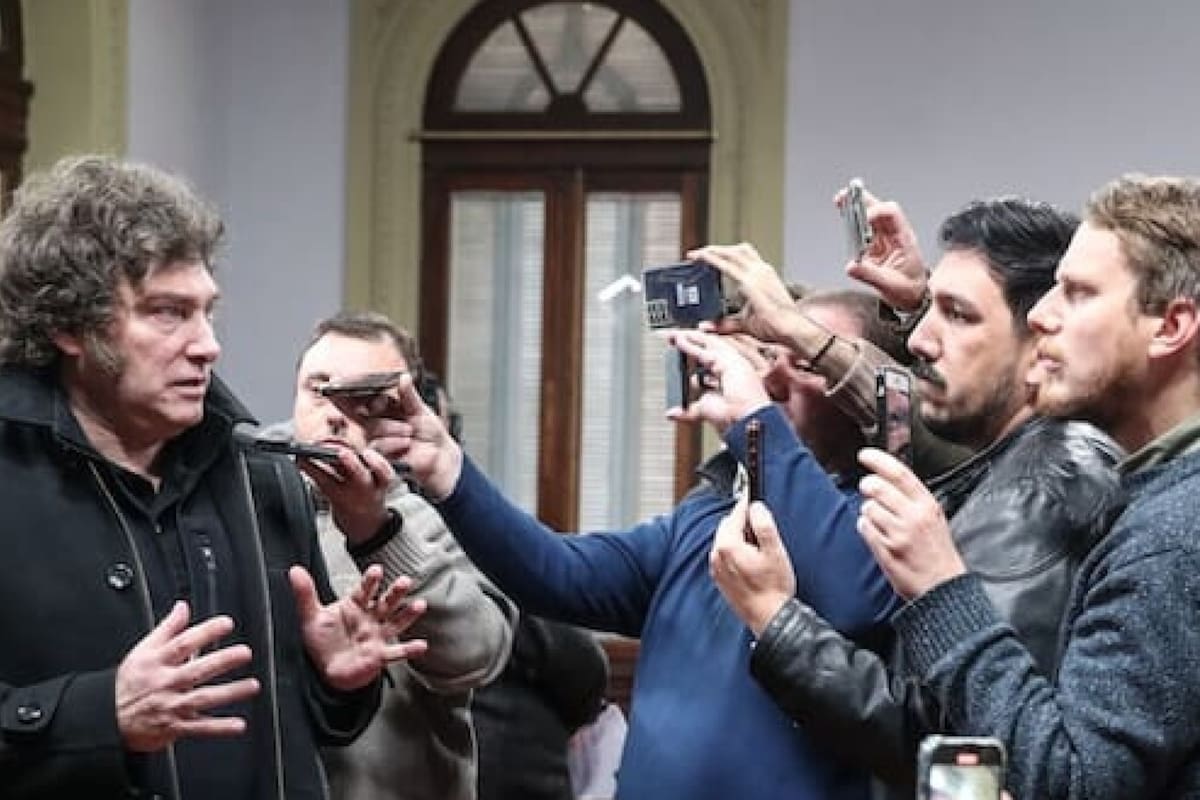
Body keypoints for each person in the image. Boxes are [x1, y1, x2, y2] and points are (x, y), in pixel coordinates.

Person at [348, 287, 909, 800]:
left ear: (866, 393)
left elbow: (851, 592)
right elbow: (558, 573)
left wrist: (755, 421)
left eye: (806, 363)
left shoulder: (885, 514)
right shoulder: (710, 508)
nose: (773, 379)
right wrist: (447, 467)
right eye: (768, 357)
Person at [0, 155, 424, 799]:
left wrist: (337, 681)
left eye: (206, 311)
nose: (207, 345)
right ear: (69, 326)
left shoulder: (265, 479)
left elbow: (308, 730)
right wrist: (99, 715)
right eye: (167, 312)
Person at [705, 197, 1123, 793]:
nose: (920, 339)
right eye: (930, 311)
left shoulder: (1035, 493)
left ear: (1041, 344)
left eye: (956, 315)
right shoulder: (1009, 460)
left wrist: (775, 619)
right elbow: (903, 407)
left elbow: (954, 748)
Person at [846, 174, 1200, 798]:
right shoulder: (1164, 500)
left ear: (1170, 326)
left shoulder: (1168, 541)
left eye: (1078, 293)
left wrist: (941, 588)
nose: (1040, 315)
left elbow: (1071, 782)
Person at [274, 312, 517, 800]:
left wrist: (376, 531)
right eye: (319, 390)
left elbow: (476, 655)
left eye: (362, 397)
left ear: (404, 410)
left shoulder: (443, 516)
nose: (335, 414)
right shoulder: (244, 500)